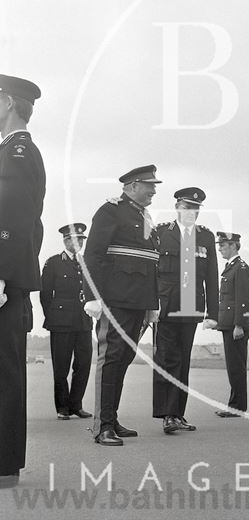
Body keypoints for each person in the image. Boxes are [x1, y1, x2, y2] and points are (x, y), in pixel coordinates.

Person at [83, 165, 161, 446]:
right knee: (111, 360)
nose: (154, 190)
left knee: (123, 360)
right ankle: (102, 426)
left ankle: (111, 419)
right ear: (131, 186)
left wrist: (152, 303)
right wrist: (92, 295)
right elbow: (92, 255)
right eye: (149, 185)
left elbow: (149, 261)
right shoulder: (111, 211)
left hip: (138, 301)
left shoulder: (144, 216)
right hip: (115, 301)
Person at [0, 75, 45, 489]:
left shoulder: (16, 151)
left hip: (4, 280)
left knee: (5, 371)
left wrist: (2, 273)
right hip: (9, 275)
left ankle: (4, 467)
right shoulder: (11, 151)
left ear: (9, 102)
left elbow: (14, 219)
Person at [153, 188, 219, 434]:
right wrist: (152, 304)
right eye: (187, 207)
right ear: (177, 208)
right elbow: (152, 272)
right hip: (166, 306)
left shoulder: (205, 237)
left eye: (196, 209)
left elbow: (212, 276)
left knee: (183, 360)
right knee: (167, 358)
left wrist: (214, 313)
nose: (192, 212)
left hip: (191, 308)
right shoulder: (161, 233)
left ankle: (177, 413)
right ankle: (167, 414)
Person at [40, 223, 93, 420]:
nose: (79, 243)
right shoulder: (53, 262)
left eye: (81, 239)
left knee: (84, 363)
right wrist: (53, 316)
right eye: (75, 239)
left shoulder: (87, 262)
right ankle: (62, 407)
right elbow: (45, 295)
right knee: (61, 365)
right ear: (66, 241)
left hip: (83, 320)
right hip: (60, 321)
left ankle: (76, 405)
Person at [215, 232, 249, 417]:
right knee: (233, 366)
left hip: (236, 326)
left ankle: (237, 406)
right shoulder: (231, 267)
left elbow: (243, 299)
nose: (219, 248)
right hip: (228, 324)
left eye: (223, 245)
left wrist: (239, 324)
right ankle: (235, 404)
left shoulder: (241, 268)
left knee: (237, 366)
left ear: (233, 246)